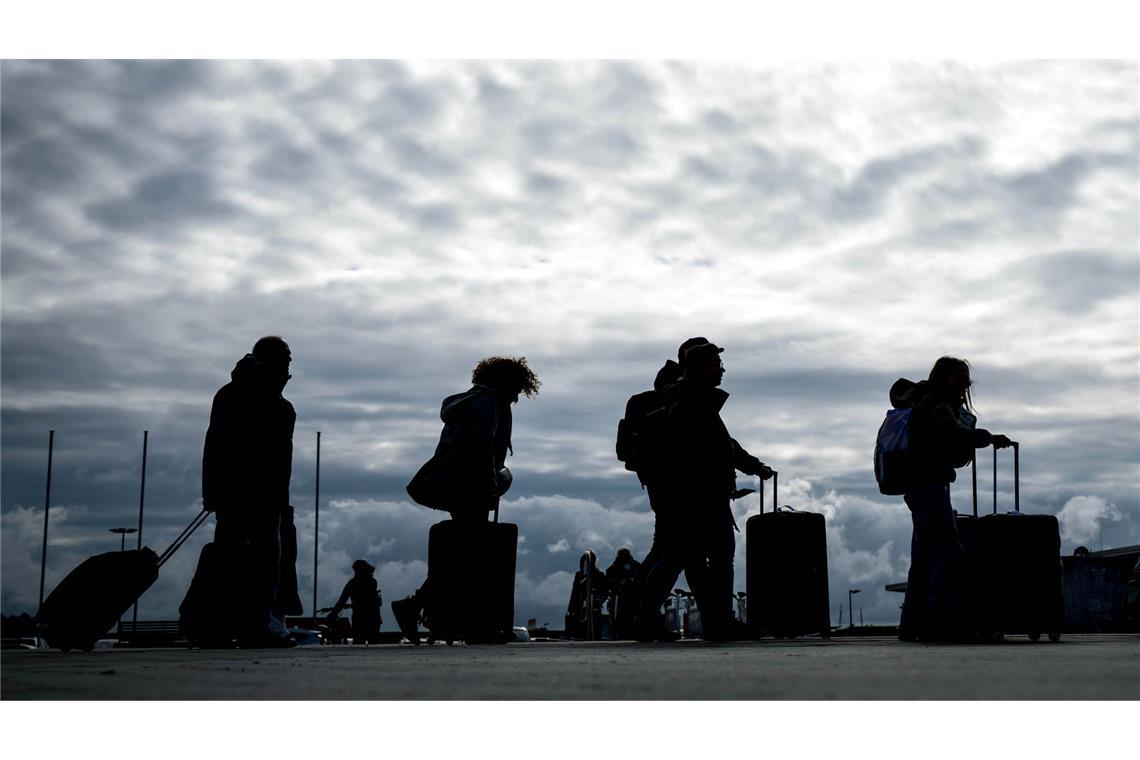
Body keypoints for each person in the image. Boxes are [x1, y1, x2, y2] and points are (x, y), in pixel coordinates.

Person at [632, 341, 773, 641]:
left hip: (692, 496)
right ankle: (715, 622)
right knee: (705, 557)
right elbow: (708, 450)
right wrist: (747, 468)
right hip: (700, 497)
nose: (722, 370)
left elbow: (723, 445)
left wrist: (752, 466)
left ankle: (707, 620)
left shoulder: (690, 398)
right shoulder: (692, 402)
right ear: (700, 368)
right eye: (716, 364)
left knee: (680, 557)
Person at [393, 356, 540, 644]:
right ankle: (419, 607)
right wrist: (489, 487)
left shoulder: (469, 402)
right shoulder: (487, 403)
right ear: (506, 383)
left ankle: (435, 613)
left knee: (464, 552)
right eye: (516, 390)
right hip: (470, 486)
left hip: (459, 485)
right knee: (470, 554)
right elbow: (483, 446)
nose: (517, 398)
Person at [890, 356, 1012, 642]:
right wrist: (987, 438)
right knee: (949, 551)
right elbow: (951, 432)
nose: (965, 384)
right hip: (928, 484)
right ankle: (938, 624)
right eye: (960, 378)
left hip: (920, 486)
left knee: (923, 556)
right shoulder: (934, 402)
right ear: (944, 377)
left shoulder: (923, 400)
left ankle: (911, 625)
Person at [190, 336, 297, 648]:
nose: (290, 366)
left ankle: (221, 628)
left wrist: (212, 491)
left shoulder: (240, 395)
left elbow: (214, 445)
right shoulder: (258, 400)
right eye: (286, 359)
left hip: (246, 495)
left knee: (235, 560)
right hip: (250, 495)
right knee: (257, 563)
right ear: (272, 359)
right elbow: (219, 445)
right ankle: (249, 628)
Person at [325, 560, 383, 645]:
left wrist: (333, 614)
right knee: (373, 643)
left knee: (358, 642)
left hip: (360, 617)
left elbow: (342, 600)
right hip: (374, 617)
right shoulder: (373, 581)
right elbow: (369, 600)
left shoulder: (352, 583)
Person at [604, 547, 642, 638]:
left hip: (634, 597)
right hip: (619, 598)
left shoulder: (638, 567)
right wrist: (620, 583)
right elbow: (609, 583)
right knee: (621, 617)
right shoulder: (612, 569)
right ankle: (621, 632)